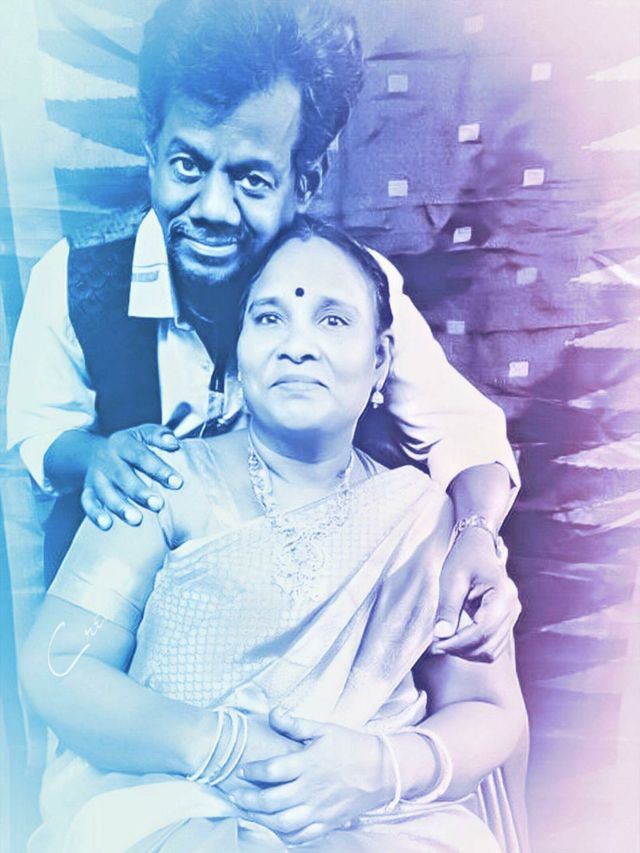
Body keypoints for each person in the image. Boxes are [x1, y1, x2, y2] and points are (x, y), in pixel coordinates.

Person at [7, 0, 520, 659]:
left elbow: (464, 432)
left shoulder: (356, 290)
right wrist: (95, 455)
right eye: (187, 166)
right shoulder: (71, 277)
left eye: (251, 178)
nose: (213, 209)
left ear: (306, 181)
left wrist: (477, 535)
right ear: (151, 151)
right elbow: (39, 433)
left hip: (307, 643)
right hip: (127, 638)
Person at [20, 219, 528, 851]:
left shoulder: (427, 521)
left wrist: (380, 768)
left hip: (380, 818)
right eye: (268, 318)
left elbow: (490, 711)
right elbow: (59, 668)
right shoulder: (161, 484)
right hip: (176, 805)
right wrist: (227, 746)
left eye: (333, 320)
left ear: (380, 361)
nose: (297, 345)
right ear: (238, 353)